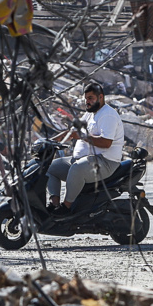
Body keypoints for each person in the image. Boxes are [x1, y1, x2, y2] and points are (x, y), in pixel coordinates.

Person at [48, 82, 125, 215]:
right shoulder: (90, 114)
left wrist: (83, 137)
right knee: (50, 167)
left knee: (76, 168)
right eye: (86, 99)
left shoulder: (108, 115)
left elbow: (106, 143)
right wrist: (50, 141)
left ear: (100, 97)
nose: (87, 102)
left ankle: (65, 208)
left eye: (90, 98)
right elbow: (72, 131)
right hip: (84, 160)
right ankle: (54, 205)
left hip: (105, 162)